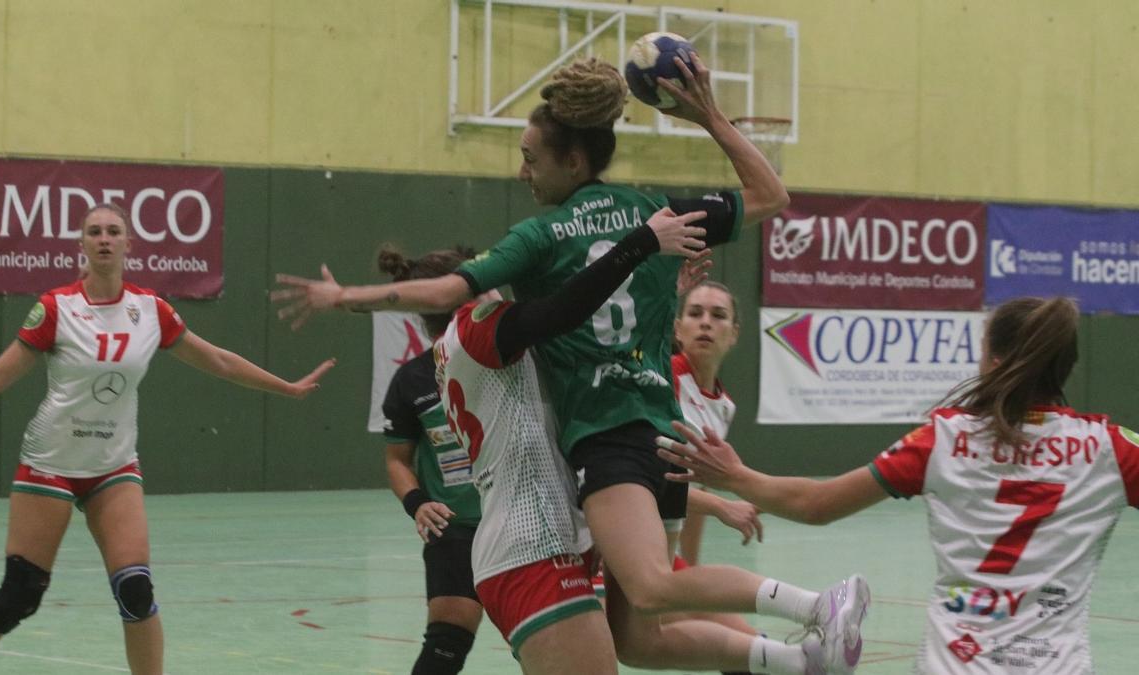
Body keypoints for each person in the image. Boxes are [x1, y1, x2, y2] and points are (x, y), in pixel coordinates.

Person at [273, 55, 868, 674]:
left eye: (532, 156)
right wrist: (706, 115)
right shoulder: (657, 212)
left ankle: (819, 606)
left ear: (573, 160)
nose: (522, 169)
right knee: (639, 638)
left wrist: (348, 297)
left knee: (652, 585)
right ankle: (802, 664)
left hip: (606, 436)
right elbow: (772, 195)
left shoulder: (537, 245)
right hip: (661, 429)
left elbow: (468, 293)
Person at [0, 203, 335, 675]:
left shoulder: (149, 310)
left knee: (135, 589)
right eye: (94, 232)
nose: (104, 238)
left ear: (129, 243)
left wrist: (284, 387)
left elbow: (220, 360)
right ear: (81, 246)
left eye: (113, 231)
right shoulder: (56, 308)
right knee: (20, 592)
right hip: (51, 463)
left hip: (113, 467)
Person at [657, 296, 1139, 674]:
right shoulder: (1110, 448)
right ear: (1066, 365)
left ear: (992, 360)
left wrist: (736, 477)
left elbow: (817, 504)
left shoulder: (944, 439)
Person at [434, 206, 707, 674]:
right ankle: (800, 613)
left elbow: (590, 334)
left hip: (545, 534)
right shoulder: (479, 325)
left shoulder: (472, 349)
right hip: (530, 543)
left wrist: (655, 296)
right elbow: (565, 311)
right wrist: (641, 245)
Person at [378, 245, 485, 675]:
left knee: (542, 643)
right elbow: (397, 460)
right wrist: (418, 503)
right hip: (456, 529)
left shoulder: (514, 360)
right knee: (446, 644)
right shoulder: (413, 380)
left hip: (520, 522)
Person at [673, 280, 763, 564]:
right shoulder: (664, 379)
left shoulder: (723, 406)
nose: (705, 323)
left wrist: (690, 567)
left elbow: (696, 487)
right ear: (678, 328)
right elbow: (649, 481)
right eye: (695, 313)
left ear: (734, 334)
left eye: (718, 316)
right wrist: (722, 506)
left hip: (659, 546)